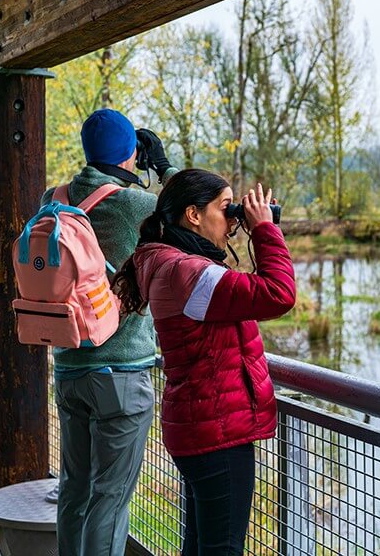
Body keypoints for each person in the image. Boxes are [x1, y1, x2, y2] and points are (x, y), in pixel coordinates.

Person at [112, 169, 295, 555]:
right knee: (220, 549)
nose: (232, 219)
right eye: (225, 208)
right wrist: (263, 229)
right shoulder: (190, 274)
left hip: (201, 425)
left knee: (200, 547)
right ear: (193, 215)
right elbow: (278, 294)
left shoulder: (172, 263)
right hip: (218, 433)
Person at [45, 108, 176, 556]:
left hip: (69, 369)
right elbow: (194, 207)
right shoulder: (134, 205)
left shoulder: (54, 198)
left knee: (74, 490)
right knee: (111, 498)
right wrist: (161, 166)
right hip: (121, 374)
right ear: (131, 154)